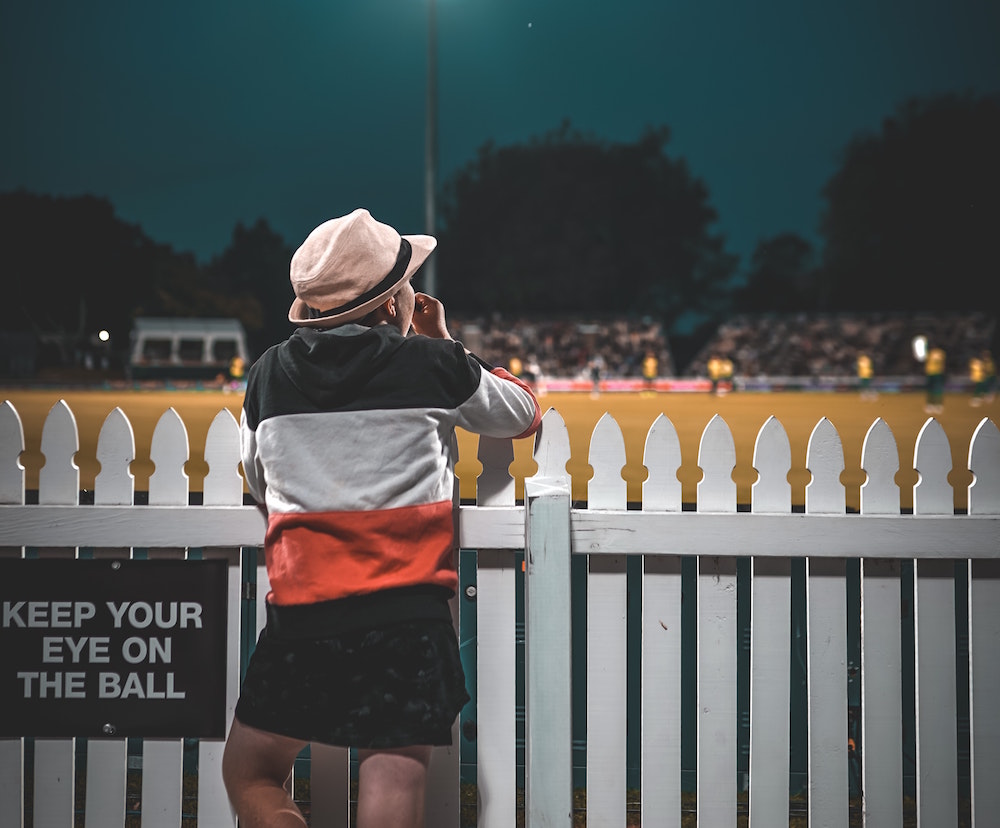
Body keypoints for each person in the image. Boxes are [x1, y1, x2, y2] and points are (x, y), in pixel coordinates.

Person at [222, 208, 541, 828]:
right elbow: (522, 414)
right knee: (391, 786)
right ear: (396, 299)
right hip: (409, 617)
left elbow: (259, 479)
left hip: (304, 614)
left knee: (251, 774)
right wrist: (441, 339)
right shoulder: (433, 366)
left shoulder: (266, 378)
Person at [924, 345, 946, 414]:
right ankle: (930, 404)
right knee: (930, 390)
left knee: (937, 390)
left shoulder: (940, 353)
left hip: (937, 373)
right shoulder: (930, 353)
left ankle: (938, 405)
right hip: (930, 373)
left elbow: (938, 360)